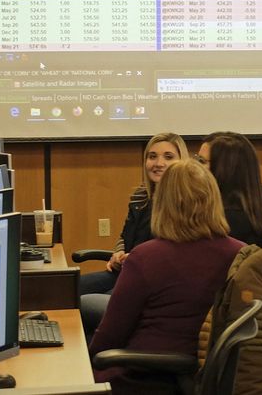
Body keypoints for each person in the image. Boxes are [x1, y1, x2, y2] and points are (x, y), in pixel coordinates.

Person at [89, 159, 245, 391]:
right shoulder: (241, 253)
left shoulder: (146, 257)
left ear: (163, 204)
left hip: (139, 376)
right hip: (202, 376)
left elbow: (108, 340)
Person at [79, 132, 188, 338]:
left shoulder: (184, 203)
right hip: (124, 272)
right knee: (65, 293)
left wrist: (138, 260)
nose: (158, 163)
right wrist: (118, 254)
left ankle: (95, 360)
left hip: (150, 283)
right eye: (152, 156)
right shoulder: (140, 196)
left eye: (168, 157)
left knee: (86, 305)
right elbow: (124, 236)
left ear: (182, 162)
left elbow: (178, 253)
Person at [197, 131, 262, 248]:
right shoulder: (252, 218)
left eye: (201, 161)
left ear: (224, 170)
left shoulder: (224, 224)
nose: (194, 167)